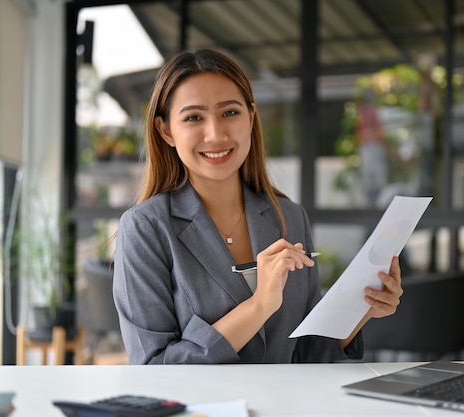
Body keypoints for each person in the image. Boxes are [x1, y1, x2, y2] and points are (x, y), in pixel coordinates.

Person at [112, 49, 403, 364]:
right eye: (194, 117)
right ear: (166, 130)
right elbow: (153, 368)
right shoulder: (146, 228)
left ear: (251, 117)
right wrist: (258, 306)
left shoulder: (290, 217)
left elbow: (307, 354)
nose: (216, 133)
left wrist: (361, 311)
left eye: (230, 112)